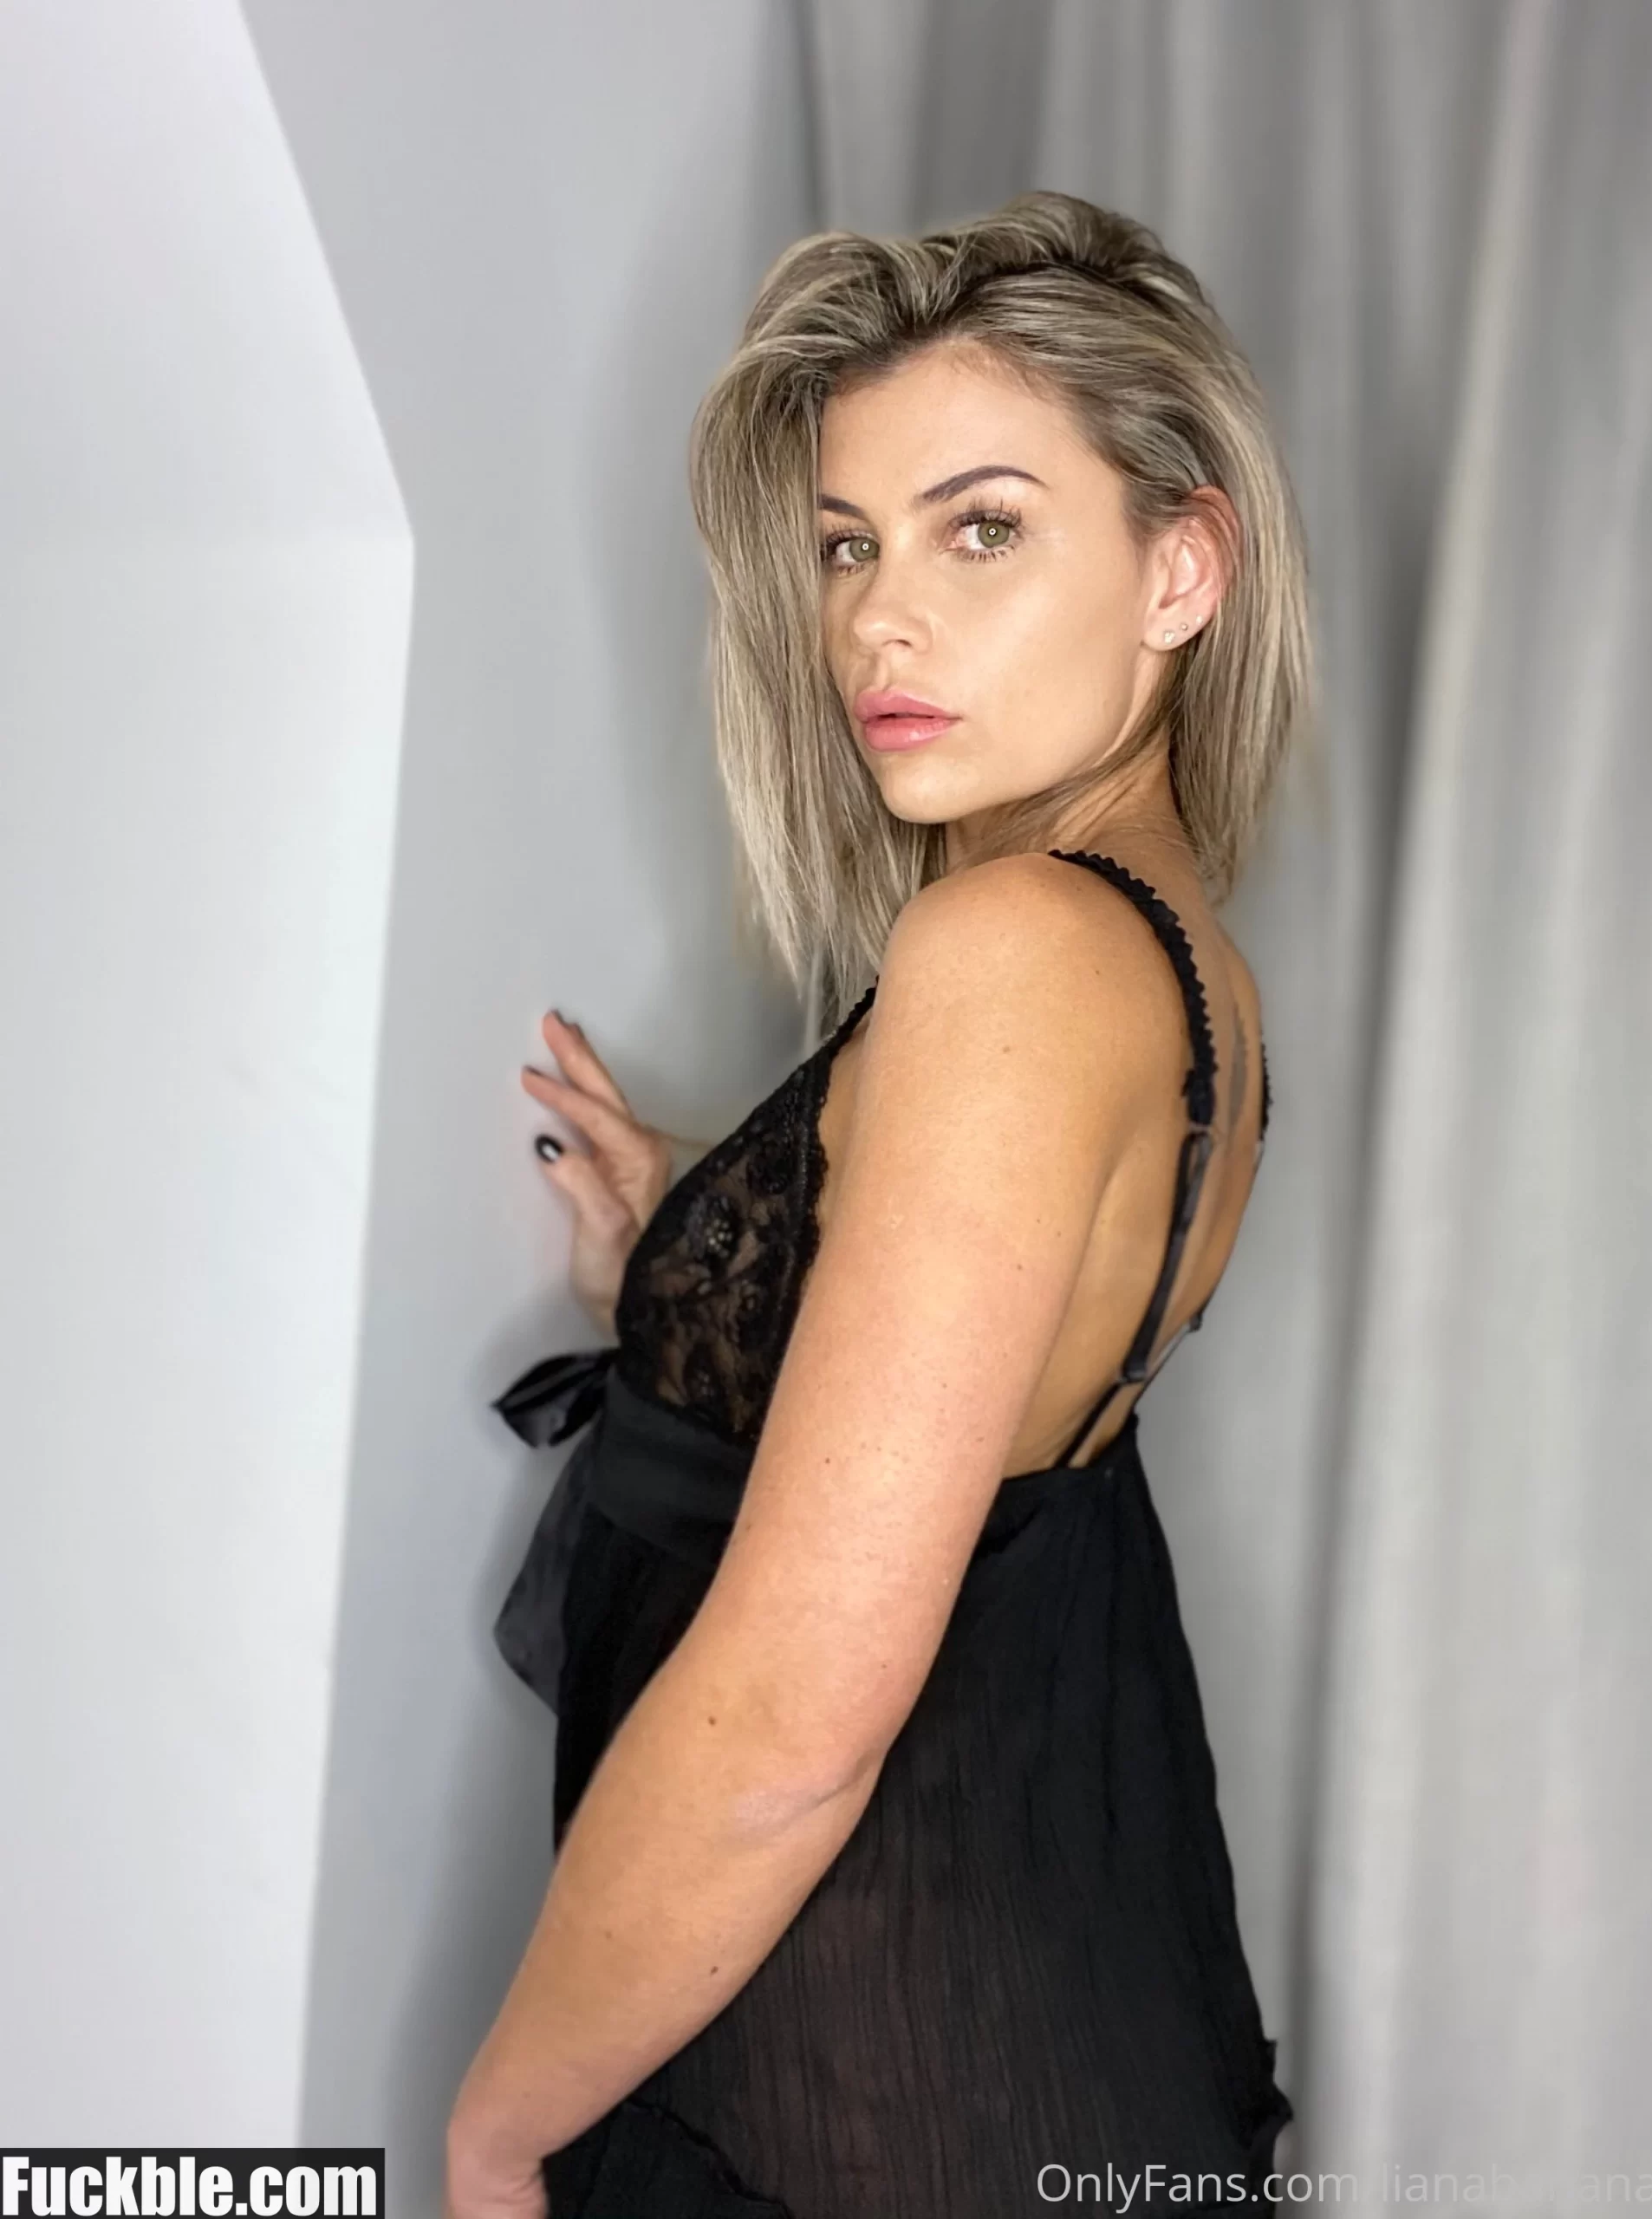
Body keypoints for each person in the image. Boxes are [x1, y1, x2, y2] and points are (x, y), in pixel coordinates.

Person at [446, 190, 1313, 2219]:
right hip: (1030, 2020)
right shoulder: (1179, 963)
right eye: (848, 545)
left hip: (865, 2103)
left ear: (1182, 566)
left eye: (979, 528)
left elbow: (791, 1724)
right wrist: (712, 1251)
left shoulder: (1013, 951)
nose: (875, 622)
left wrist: (500, 2120)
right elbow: (986, 1403)